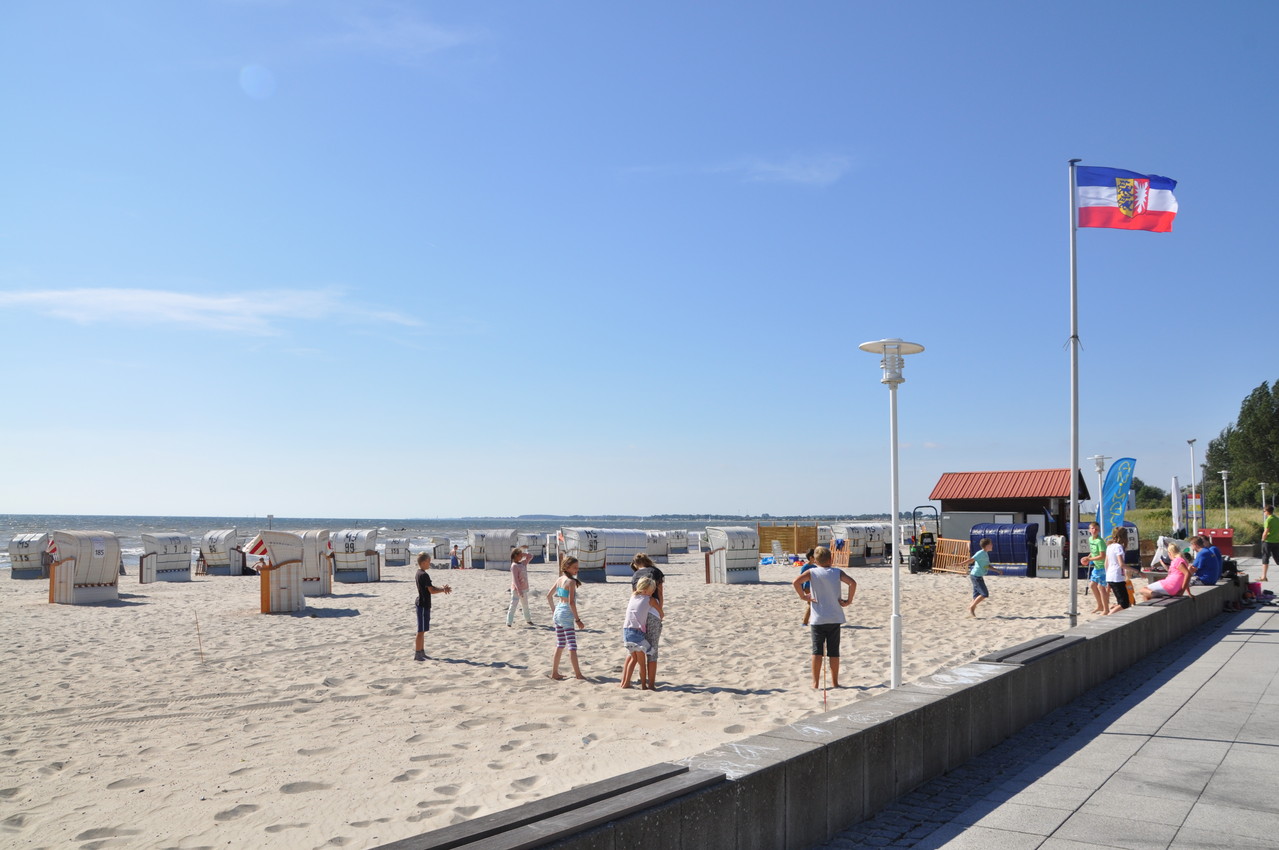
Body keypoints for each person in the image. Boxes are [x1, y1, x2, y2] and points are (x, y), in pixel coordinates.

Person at [791, 546, 857, 689]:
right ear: (831, 559)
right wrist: (849, 600)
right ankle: (834, 682)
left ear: (814, 560)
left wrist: (803, 596)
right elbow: (852, 583)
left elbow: (796, 582)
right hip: (834, 617)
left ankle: (815, 683)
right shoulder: (837, 572)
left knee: (817, 651)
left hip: (818, 618)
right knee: (834, 652)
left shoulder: (812, 572)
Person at [626, 553, 666, 689]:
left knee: (637, 649)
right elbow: (660, 593)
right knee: (652, 649)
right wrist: (660, 611)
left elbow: (635, 595)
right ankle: (651, 684)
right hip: (653, 612)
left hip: (639, 614)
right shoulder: (657, 572)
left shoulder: (635, 575)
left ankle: (632, 680)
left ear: (636, 564)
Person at [546, 556, 586, 681]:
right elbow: (571, 603)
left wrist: (554, 611)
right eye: (574, 568)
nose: (577, 570)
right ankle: (578, 674)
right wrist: (578, 620)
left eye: (577, 568)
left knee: (560, 644)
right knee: (572, 646)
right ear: (567, 567)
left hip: (558, 611)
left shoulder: (560, 579)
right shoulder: (571, 582)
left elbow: (548, 596)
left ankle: (554, 672)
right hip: (566, 614)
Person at [620, 577, 661, 690]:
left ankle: (625, 683)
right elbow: (659, 610)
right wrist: (662, 614)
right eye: (651, 590)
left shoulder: (633, 595)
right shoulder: (650, 599)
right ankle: (644, 686)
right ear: (645, 590)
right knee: (642, 663)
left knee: (633, 659)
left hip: (626, 631)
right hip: (637, 633)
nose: (653, 592)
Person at [414, 552, 452, 661]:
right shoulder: (423, 575)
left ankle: (421, 652)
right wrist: (443, 590)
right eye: (429, 562)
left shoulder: (419, 573)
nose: (429, 564)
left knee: (423, 630)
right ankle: (418, 653)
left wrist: (441, 588)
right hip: (422, 603)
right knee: (420, 631)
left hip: (423, 603)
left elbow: (430, 587)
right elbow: (431, 590)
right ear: (424, 562)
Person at [962, 537, 1001, 617]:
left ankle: (971, 611)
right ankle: (972, 607)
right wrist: (960, 564)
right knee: (984, 594)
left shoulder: (985, 554)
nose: (992, 545)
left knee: (976, 595)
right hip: (976, 576)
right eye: (990, 544)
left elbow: (986, 566)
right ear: (986, 546)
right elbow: (971, 560)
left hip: (977, 576)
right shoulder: (980, 553)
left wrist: (996, 570)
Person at [1081, 522, 1109, 614]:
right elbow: (1093, 552)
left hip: (1103, 566)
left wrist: (1089, 559)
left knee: (1101, 587)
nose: (1094, 530)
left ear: (1099, 530)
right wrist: (1087, 557)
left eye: (1096, 529)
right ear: (1089, 530)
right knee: (1092, 585)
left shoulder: (1100, 541)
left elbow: (1102, 556)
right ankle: (1100, 606)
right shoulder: (1090, 539)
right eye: (1092, 528)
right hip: (1097, 567)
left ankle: (1106, 609)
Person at [506, 547, 535, 627]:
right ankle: (509, 622)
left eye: (521, 555)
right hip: (516, 590)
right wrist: (519, 590)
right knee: (513, 605)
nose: (521, 557)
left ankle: (528, 620)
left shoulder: (523, 563)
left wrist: (524, 554)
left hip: (524, 589)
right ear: (515, 556)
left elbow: (531, 556)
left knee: (525, 605)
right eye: (520, 555)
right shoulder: (514, 566)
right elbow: (515, 579)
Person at [1106, 527, 1132, 611]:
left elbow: (1106, 563)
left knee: (1120, 602)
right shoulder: (1118, 547)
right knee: (1124, 604)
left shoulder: (1109, 546)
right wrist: (1137, 571)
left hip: (1110, 576)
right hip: (1117, 577)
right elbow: (1121, 564)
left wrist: (1107, 577)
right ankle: (1108, 617)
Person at [798, 548, 816, 626]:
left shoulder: (815, 567)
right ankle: (804, 622)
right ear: (811, 557)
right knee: (811, 603)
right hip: (807, 587)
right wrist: (801, 591)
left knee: (812, 604)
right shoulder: (805, 567)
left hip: (814, 587)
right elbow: (800, 579)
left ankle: (809, 621)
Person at [1262, 505, 1279, 582]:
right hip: (1276, 541)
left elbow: (1266, 531)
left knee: (1265, 558)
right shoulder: (1277, 519)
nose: (1264, 513)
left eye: (1264, 511)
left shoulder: (1268, 520)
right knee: (1277, 558)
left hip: (1268, 542)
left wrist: (1263, 539)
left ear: (1267, 511)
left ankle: (1264, 576)